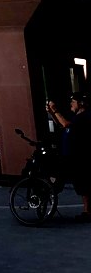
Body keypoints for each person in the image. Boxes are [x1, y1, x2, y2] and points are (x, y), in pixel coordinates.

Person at [48, 92, 91, 221]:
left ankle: (88, 212)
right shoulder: (76, 116)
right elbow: (62, 125)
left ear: (81, 103)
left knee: (83, 184)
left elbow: (66, 124)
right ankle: (87, 211)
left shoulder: (84, 116)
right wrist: (52, 113)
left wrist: (55, 110)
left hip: (79, 156)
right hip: (71, 155)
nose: (71, 104)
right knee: (81, 184)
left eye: (73, 102)